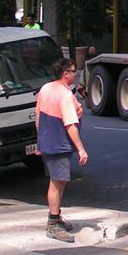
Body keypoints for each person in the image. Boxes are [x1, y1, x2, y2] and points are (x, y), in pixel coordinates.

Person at [35, 57, 88, 242]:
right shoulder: (64, 95)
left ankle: (56, 216)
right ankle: (53, 223)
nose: (75, 74)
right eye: (73, 71)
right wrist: (81, 149)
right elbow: (70, 124)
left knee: (58, 182)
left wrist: (40, 141)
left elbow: (38, 117)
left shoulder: (45, 88)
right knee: (57, 184)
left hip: (48, 142)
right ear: (65, 73)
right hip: (59, 144)